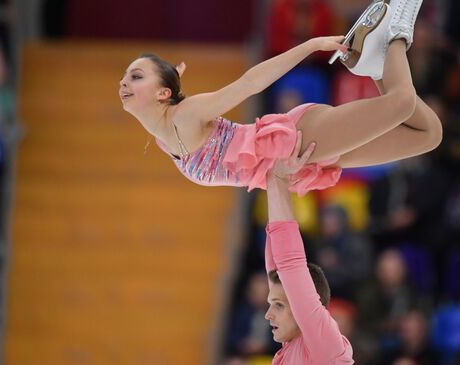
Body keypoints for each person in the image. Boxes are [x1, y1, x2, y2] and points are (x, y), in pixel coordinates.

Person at [118, 0, 442, 196]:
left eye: (135, 75)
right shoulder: (163, 137)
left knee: (402, 103)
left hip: (297, 139)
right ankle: (373, 65)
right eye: (128, 76)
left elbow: (250, 83)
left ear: (163, 94)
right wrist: (170, 79)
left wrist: (310, 45)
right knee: (429, 135)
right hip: (302, 162)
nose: (123, 82)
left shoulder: (184, 116)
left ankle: (397, 31)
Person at [263, 132, 353, 363]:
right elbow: (282, 264)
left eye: (277, 305)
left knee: (428, 133)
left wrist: (276, 181)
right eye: (275, 304)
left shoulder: (324, 348)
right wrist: (277, 182)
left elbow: (287, 265)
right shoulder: (313, 349)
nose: (268, 315)